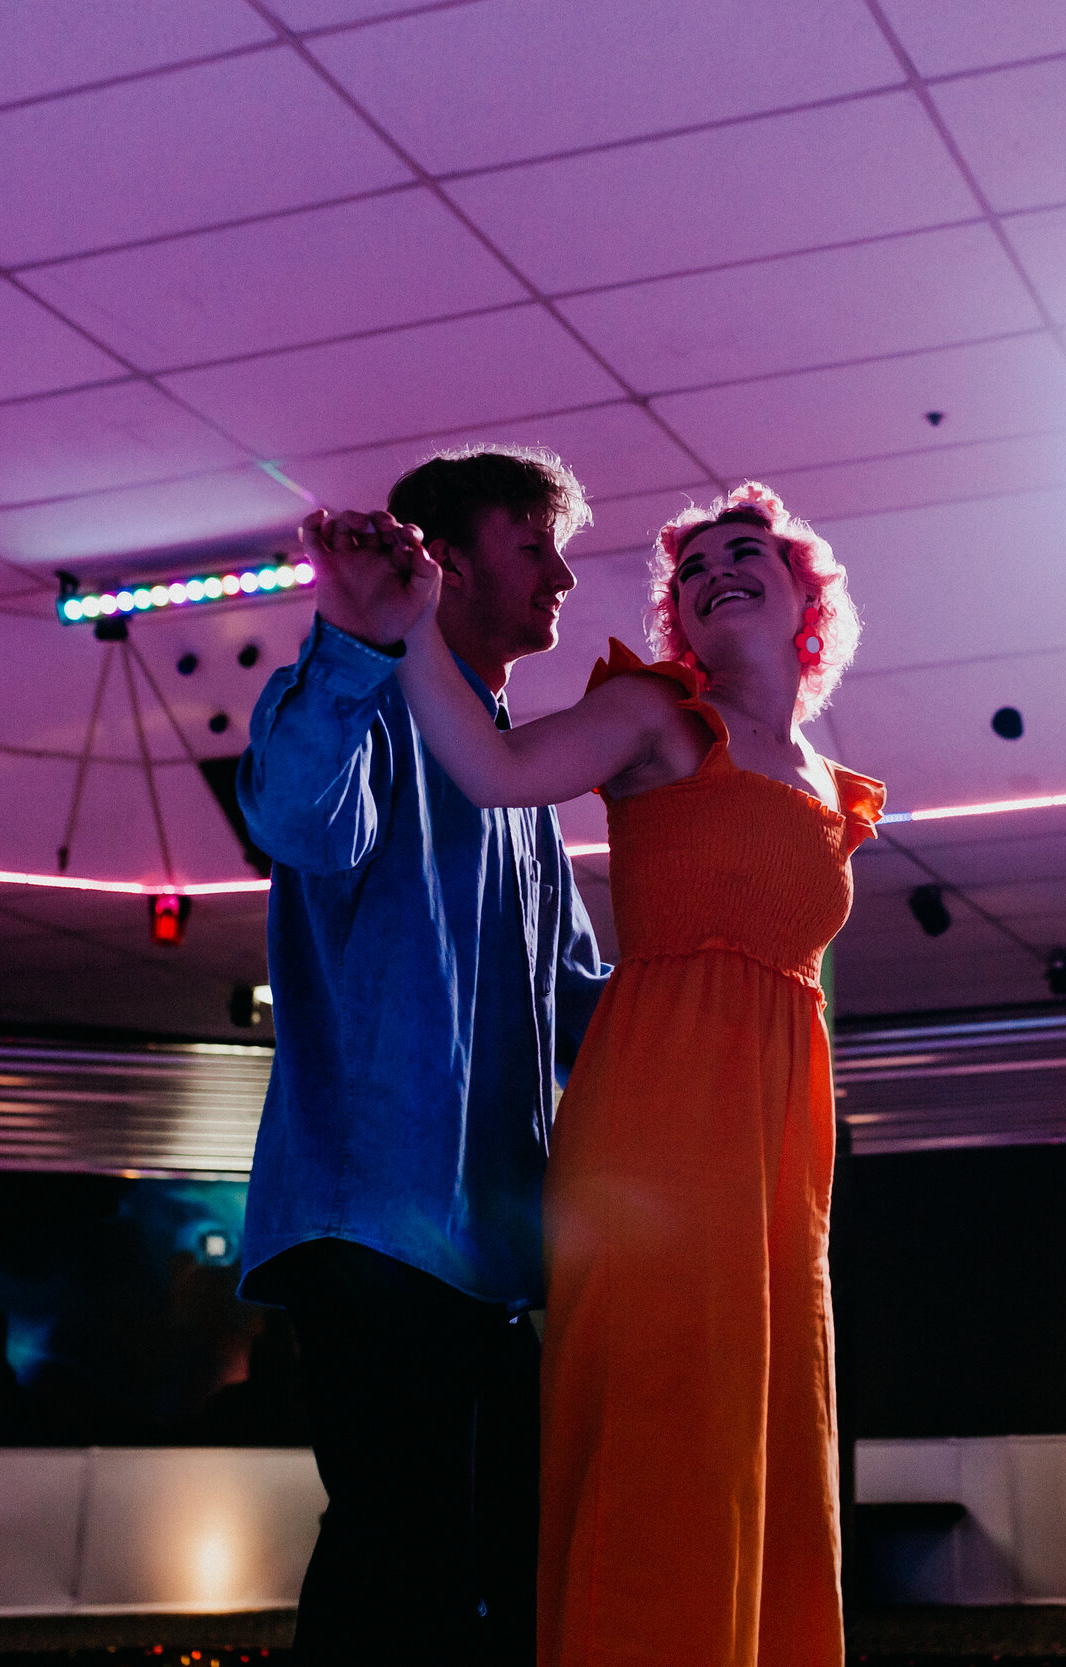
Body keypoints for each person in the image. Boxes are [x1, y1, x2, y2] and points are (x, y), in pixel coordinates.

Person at [378, 481, 880, 1667]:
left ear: (807, 596)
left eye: (744, 552)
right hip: (661, 1116)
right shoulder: (656, 713)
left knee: (765, 1415)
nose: (713, 573)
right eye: (691, 570)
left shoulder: (824, 779)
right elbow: (492, 768)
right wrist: (410, 626)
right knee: (666, 1410)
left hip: (776, 1145)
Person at [235, 446, 611, 1666]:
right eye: (534, 546)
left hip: (485, 1252)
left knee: (499, 1556)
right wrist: (354, 635)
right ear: (446, 562)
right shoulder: (364, 705)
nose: (562, 576)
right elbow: (295, 817)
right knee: (402, 1554)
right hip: (370, 1230)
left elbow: (581, 999)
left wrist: (739, 1005)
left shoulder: (518, 778)